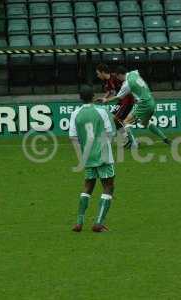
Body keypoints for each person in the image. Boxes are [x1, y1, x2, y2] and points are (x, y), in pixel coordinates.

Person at [69, 85, 116, 233]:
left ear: (80, 98)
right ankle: (98, 223)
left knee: (88, 186)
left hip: (87, 156)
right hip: (103, 155)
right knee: (108, 186)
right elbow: (109, 132)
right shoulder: (102, 111)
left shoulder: (75, 114)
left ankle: (79, 222)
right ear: (94, 96)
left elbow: (73, 137)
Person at [103, 66, 170, 148]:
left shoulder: (126, 84)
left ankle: (133, 145)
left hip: (143, 104)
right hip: (151, 102)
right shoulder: (134, 73)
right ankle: (165, 139)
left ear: (120, 75)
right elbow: (138, 76)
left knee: (126, 122)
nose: (118, 79)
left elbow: (119, 97)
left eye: (117, 77)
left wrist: (106, 100)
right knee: (145, 123)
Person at [95, 63, 136, 147]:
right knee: (113, 119)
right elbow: (110, 91)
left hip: (127, 101)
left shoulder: (116, 77)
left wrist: (107, 99)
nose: (97, 75)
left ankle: (130, 140)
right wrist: (104, 98)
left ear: (103, 72)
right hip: (121, 101)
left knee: (117, 119)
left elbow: (127, 85)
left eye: (98, 73)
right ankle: (129, 140)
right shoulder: (107, 81)